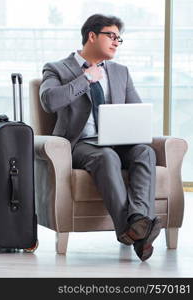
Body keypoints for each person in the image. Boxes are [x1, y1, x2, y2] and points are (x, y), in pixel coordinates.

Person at [39, 14, 161, 261]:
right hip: (81, 145)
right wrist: (85, 79)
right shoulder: (57, 68)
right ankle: (137, 231)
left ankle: (136, 224)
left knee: (145, 152)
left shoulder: (120, 72)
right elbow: (49, 101)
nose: (116, 42)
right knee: (106, 157)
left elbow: (134, 111)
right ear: (92, 36)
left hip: (117, 141)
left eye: (119, 38)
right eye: (111, 36)